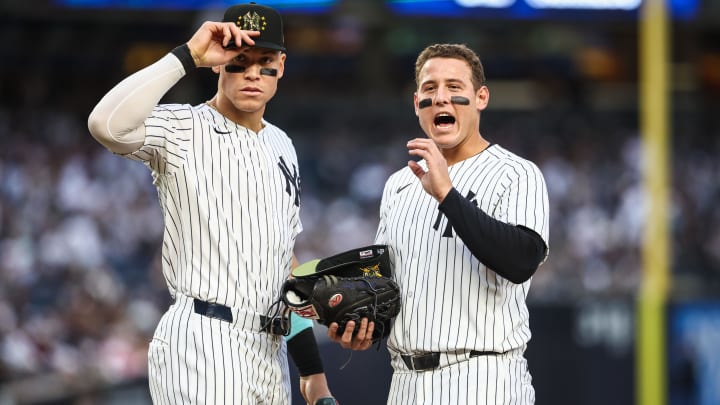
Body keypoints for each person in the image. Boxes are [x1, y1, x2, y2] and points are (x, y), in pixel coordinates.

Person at [87, 3, 338, 404]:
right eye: (239, 60)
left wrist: (312, 374)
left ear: (282, 66)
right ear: (219, 63)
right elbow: (107, 125)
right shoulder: (184, 126)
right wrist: (188, 55)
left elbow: (283, 266)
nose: (253, 72)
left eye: (265, 61)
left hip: (268, 352)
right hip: (203, 339)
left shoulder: (282, 145)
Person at [327, 43, 550, 404]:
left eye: (454, 87)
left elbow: (521, 261)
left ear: (480, 98)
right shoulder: (399, 184)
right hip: (405, 382)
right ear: (417, 104)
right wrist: (364, 326)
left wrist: (447, 194)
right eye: (430, 89)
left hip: (482, 378)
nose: (441, 98)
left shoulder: (516, 173)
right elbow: (387, 283)